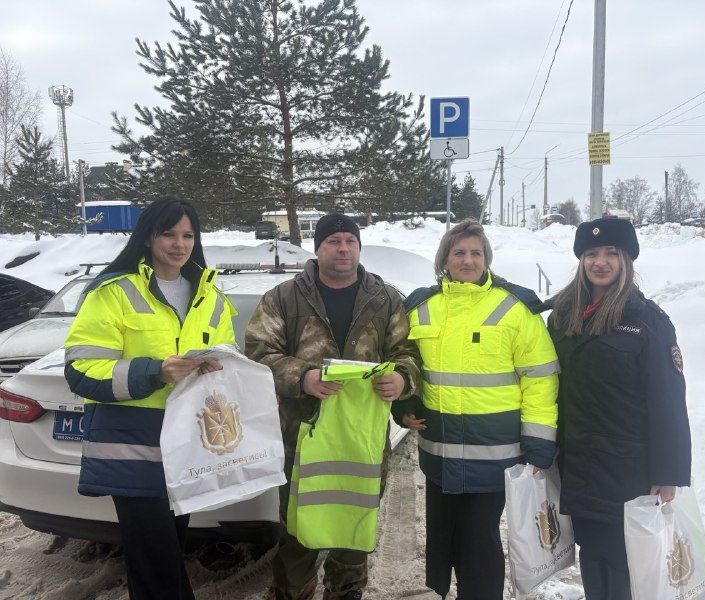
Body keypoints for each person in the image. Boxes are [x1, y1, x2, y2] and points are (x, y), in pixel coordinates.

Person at [64, 196, 236, 600]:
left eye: (188, 234)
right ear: (146, 238)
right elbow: (81, 370)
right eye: (168, 233)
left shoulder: (211, 297)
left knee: (170, 551)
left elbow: (227, 360)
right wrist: (153, 372)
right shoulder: (114, 291)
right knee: (155, 559)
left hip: (187, 444)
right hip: (131, 445)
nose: (180, 243)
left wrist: (218, 369)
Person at [244, 212, 422, 600]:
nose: (343, 249)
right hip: (301, 440)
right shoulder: (284, 298)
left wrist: (402, 379)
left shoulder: (385, 299)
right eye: (334, 241)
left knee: (353, 536)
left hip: (362, 442)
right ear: (317, 246)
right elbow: (257, 354)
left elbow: (408, 352)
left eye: (350, 241)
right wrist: (303, 377)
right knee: (297, 537)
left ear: (359, 247)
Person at [394, 218, 560, 600]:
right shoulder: (421, 307)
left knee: (479, 541)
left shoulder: (515, 308)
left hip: (495, 454)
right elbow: (404, 363)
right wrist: (404, 407)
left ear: (487, 259)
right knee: (441, 543)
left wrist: (538, 444)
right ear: (444, 259)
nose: (468, 261)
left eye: (476, 253)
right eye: (459, 253)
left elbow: (541, 380)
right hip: (438, 453)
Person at [547, 217, 692, 600]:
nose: (600, 262)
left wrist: (668, 472)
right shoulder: (561, 316)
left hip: (627, 467)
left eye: (611, 253)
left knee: (627, 561)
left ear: (626, 260)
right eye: (591, 253)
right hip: (577, 461)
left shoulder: (647, 321)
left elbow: (668, 399)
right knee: (592, 554)